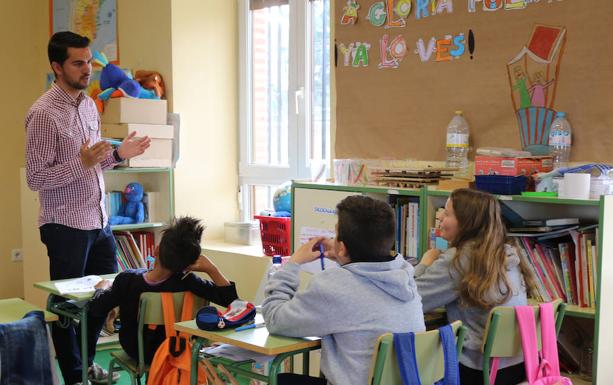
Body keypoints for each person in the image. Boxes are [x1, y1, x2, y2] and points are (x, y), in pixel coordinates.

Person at [25, 31, 151, 385]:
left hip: (99, 221)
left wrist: (117, 155)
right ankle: (75, 376)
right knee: (67, 309)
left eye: (88, 62)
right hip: (64, 225)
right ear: (56, 67)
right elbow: (35, 178)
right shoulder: (42, 114)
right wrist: (80, 163)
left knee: (105, 297)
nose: (86, 70)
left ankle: (87, 363)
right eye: (77, 63)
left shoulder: (90, 106)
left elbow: (95, 163)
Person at [262, 195, 425, 385]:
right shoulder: (405, 274)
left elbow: (275, 319)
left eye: (336, 235)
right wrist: (345, 256)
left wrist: (293, 263)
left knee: (281, 380)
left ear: (343, 247)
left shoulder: (334, 286)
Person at [413, 188, 537, 385]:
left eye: (447, 213)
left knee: (407, 360)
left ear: (466, 222)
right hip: (518, 364)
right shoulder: (507, 253)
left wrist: (425, 263)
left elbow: (412, 301)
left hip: (477, 369)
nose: (441, 219)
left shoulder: (459, 260)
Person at [88, 216, 238, 365]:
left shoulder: (127, 280)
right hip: (182, 350)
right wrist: (212, 269)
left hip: (140, 352)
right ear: (189, 264)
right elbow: (231, 302)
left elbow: (96, 308)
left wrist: (102, 288)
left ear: (156, 250)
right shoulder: (189, 282)